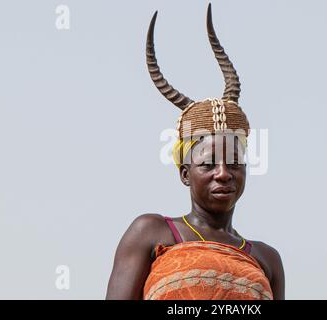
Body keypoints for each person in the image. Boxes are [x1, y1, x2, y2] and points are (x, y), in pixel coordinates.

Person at [106, 3, 285, 300]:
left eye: (235, 163)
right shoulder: (151, 233)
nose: (223, 174)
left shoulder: (267, 259)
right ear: (185, 174)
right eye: (208, 165)